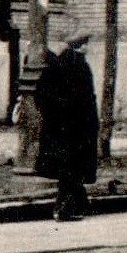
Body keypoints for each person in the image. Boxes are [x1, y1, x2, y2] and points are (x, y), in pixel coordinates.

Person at [32, 28, 101, 221]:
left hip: (62, 127)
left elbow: (43, 95)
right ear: (78, 46)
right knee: (71, 169)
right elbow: (84, 100)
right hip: (75, 128)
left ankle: (79, 204)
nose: (87, 47)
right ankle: (64, 208)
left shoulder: (59, 63)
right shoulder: (78, 66)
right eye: (84, 44)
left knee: (69, 169)